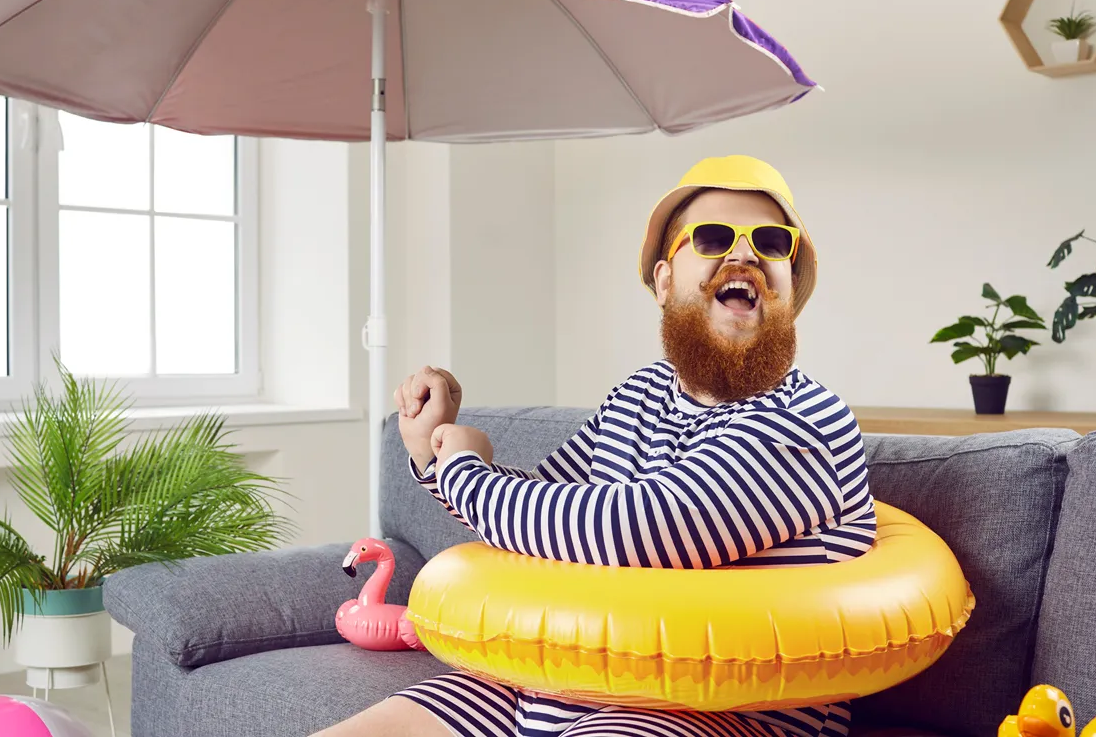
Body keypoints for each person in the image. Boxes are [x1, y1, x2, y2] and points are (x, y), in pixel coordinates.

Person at [316, 156, 876, 737]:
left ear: (790, 284)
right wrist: (432, 451)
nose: (744, 255)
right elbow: (543, 503)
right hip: (558, 676)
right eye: (712, 238)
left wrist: (463, 469)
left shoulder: (806, 421)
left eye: (771, 241)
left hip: (716, 711)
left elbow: (631, 531)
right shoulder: (638, 394)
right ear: (664, 281)